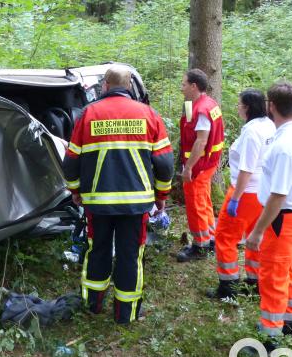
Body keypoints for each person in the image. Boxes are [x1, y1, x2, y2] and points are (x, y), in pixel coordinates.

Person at [62, 66, 175, 324]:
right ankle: (126, 314)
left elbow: (70, 162)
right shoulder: (149, 115)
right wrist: (161, 195)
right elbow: (165, 163)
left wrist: (76, 191)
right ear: (129, 87)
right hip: (136, 205)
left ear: (105, 86)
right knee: (130, 255)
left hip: (98, 203)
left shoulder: (88, 114)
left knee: (97, 250)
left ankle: (93, 305)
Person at [245, 81, 292, 343]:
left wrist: (257, 231)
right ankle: (289, 319)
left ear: (271, 106)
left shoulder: (285, 146)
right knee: (287, 269)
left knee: (273, 274)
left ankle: (270, 337)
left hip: (282, 218)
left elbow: (278, 195)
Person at [206, 89, 275, 299]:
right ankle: (255, 283)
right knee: (255, 237)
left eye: (239, 104)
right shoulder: (269, 125)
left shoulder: (252, 132)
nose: (237, 107)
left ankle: (228, 288)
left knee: (225, 237)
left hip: (245, 192)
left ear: (246, 107)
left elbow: (247, 169)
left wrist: (235, 198)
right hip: (262, 192)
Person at [176, 69, 225, 262]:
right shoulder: (208, 104)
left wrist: (188, 168)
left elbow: (201, 142)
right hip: (208, 164)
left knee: (196, 205)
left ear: (194, 86)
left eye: (184, 84)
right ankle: (210, 238)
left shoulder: (202, 110)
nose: (182, 88)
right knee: (204, 201)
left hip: (198, 166)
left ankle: (200, 246)